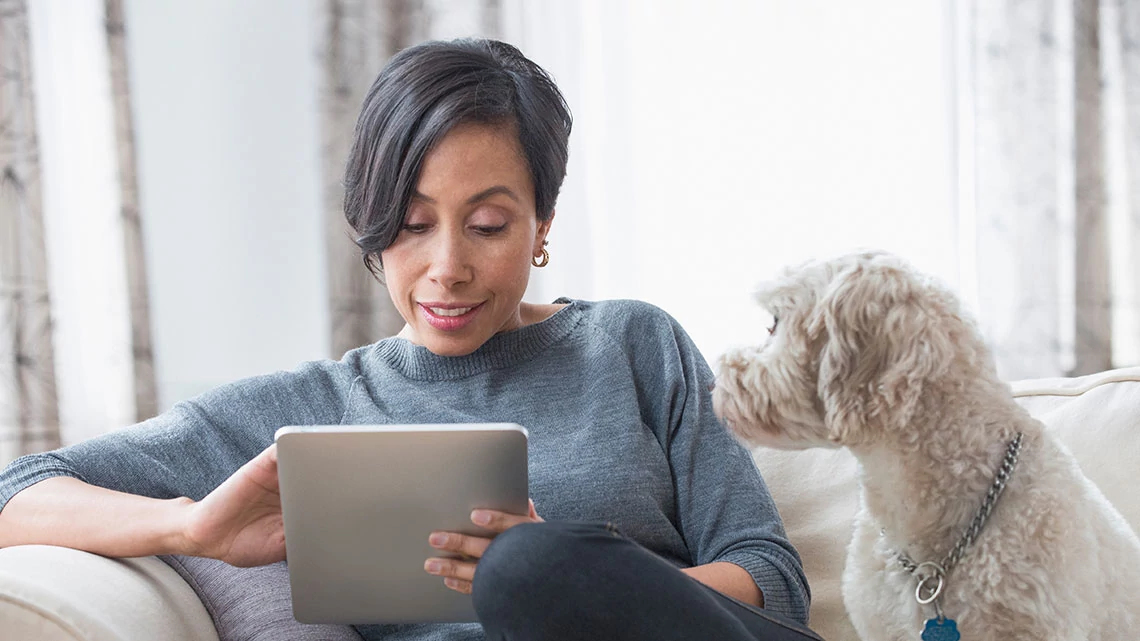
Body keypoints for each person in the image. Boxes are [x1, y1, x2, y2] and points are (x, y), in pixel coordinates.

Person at [0, 39, 820, 641]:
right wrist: (189, 527)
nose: (448, 267)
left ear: (542, 225)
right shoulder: (314, 408)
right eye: (414, 225)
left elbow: (772, 580)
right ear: (374, 233)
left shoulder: (631, 343)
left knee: (528, 568)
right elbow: (20, 490)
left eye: (489, 224)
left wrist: (584, 573)